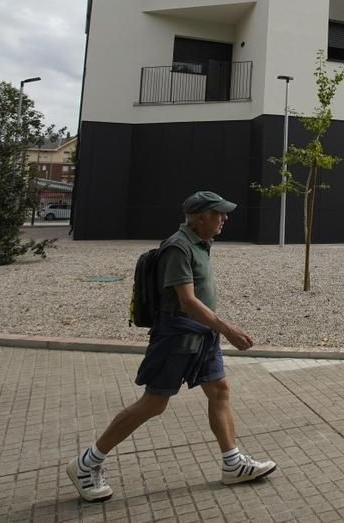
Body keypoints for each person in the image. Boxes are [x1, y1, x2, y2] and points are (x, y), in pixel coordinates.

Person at [67, 190, 275, 502]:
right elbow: (187, 302)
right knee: (154, 403)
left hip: (202, 338)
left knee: (219, 390)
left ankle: (232, 464)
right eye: (219, 213)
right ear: (201, 216)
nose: (225, 218)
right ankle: (87, 463)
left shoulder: (201, 244)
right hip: (178, 339)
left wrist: (217, 330)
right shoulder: (178, 247)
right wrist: (229, 329)